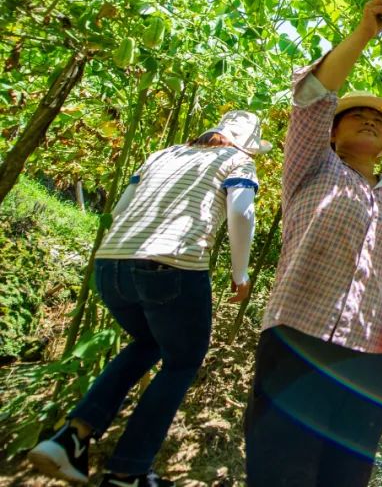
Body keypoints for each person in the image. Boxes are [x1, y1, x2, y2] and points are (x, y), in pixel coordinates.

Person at [244, 0, 382, 487]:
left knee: (347, 474)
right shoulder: (312, 167)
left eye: (380, 122)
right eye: (357, 115)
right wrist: (365, 33)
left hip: (370, 356)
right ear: (331, 132)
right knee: (280, 468)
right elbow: (310, 97)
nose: (372, 119)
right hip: (299, 336)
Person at [28, 111, 269, 487]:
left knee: (148, 343)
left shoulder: (163, 154)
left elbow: (122, 208)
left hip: (111, 265)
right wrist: (241, 274)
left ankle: (71, 436)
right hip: (171, 265)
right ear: (248, 143)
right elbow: (241, 210)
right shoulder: (238, 159)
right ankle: (128, 470)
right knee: (182, 363)